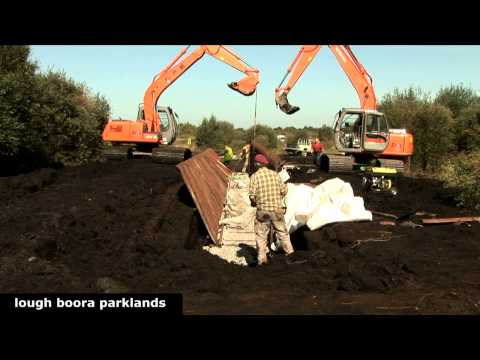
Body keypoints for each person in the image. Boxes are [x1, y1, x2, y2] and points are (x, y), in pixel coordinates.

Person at [249, 154, 306, 266]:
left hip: (263, 211)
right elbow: (284, 190)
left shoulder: (254, 177)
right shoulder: (275, 175)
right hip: (277, 210)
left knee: (261, 236)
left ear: (257, 164)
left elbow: (251, 196)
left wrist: (257, 202)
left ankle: (262, 260)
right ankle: (291, 257)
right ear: (265, 164)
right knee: (283, 234)